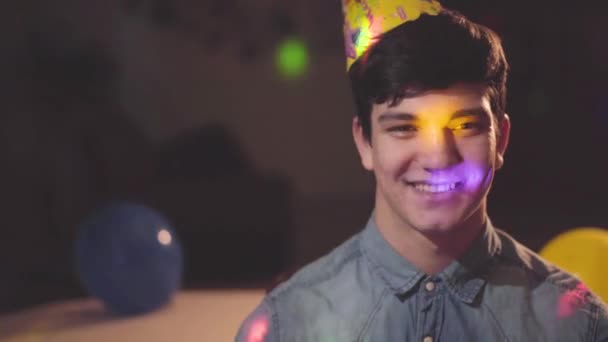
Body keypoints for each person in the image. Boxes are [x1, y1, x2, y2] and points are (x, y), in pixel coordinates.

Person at [236, 1, 608, 341]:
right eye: (403, 128)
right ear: (364, 142)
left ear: (502, 139)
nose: (438, 158)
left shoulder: (578, 325)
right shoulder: (288, 324)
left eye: (465, 126)